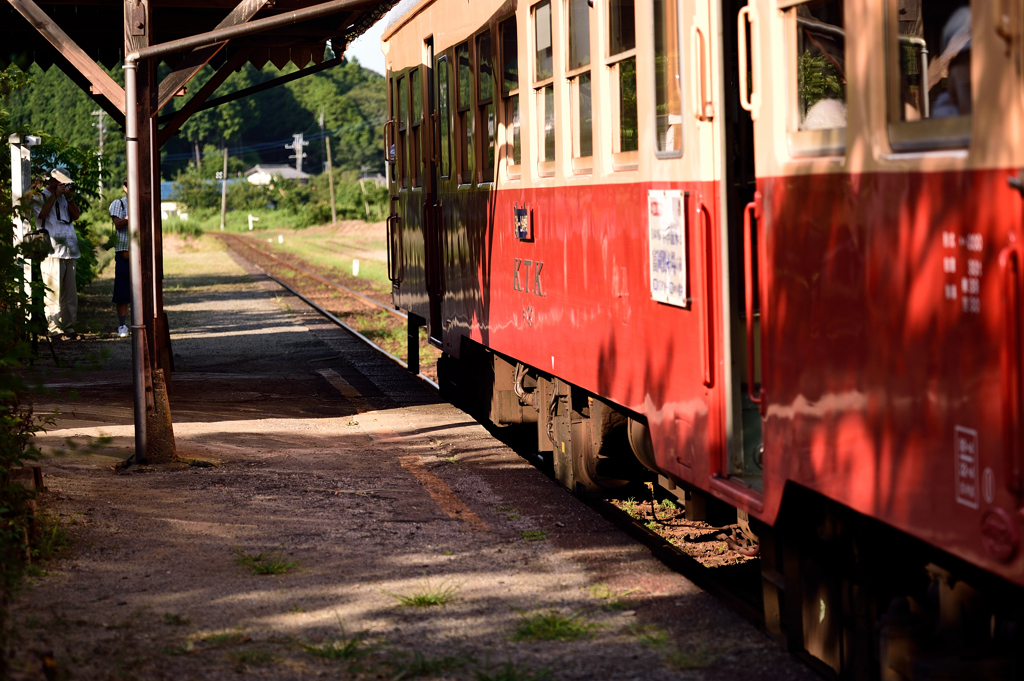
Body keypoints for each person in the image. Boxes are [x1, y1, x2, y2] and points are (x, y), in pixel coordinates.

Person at [33, 166, 81, 340]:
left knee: (70, 295)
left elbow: (76, 216)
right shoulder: (41, 197)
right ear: (53, 181)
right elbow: (42, 215)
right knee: (52, 294)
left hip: (69, 251)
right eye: (62, 183)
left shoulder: (65, 199)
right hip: (51, 252)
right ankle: (54, 329)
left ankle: (69, 328)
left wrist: (69, 198)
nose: (64, 186)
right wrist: (55, 195)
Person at [108, 179, 132, 338]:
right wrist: (130, 219)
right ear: (125, 188)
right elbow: (117, 224)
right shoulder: (119, 204)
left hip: (141, 255)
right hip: (124, 255)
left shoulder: (145, 202)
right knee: (122, 293)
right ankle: (122, 325)